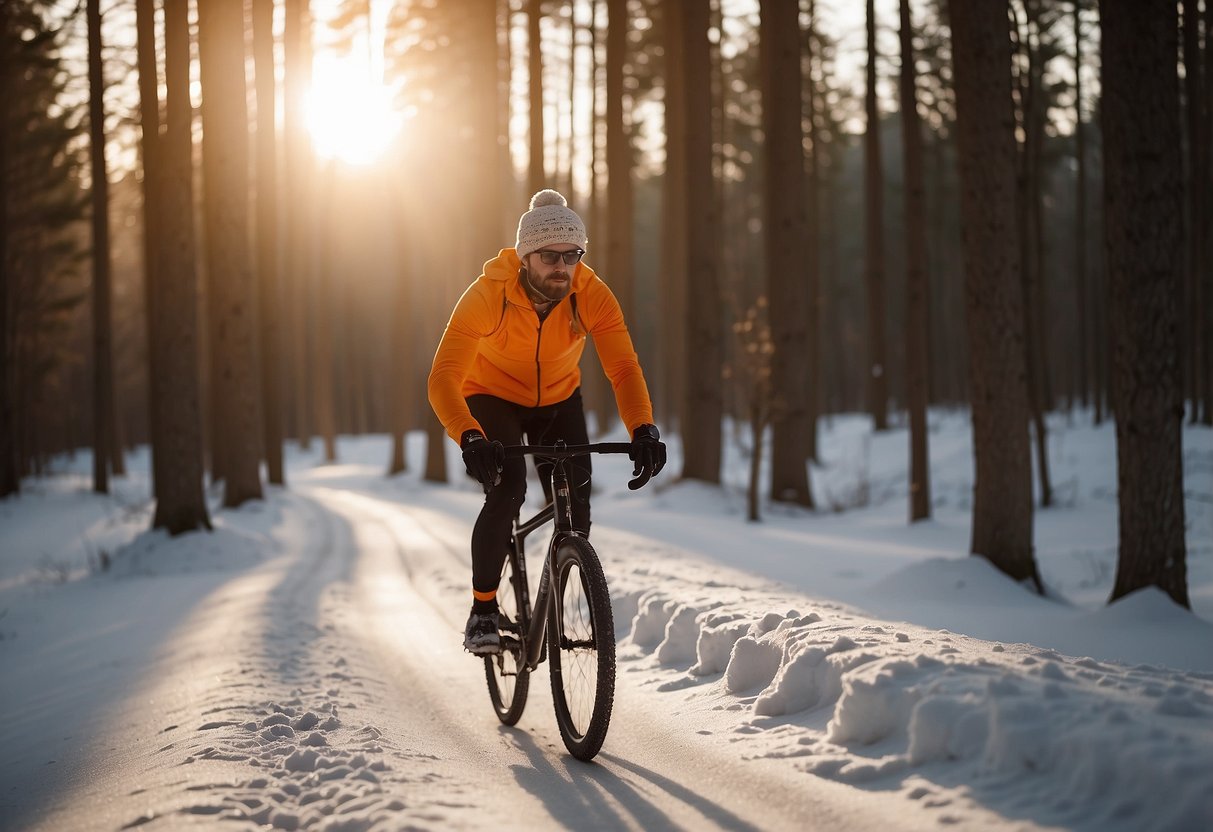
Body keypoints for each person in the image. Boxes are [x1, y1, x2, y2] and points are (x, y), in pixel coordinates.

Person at [428, 189, 667, 655]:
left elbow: (623, 368)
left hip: (557, 399)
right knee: (508, 487)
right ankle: (483, 609)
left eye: (572, 255)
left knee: (576, 508)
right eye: (549, 256)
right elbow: (443, 378)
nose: (562, 266)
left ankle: (559, 581)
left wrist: (643, 428)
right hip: (490, 396)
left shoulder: (591, 294)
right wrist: (469, 434)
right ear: (524, 257)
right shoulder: (487, 294)